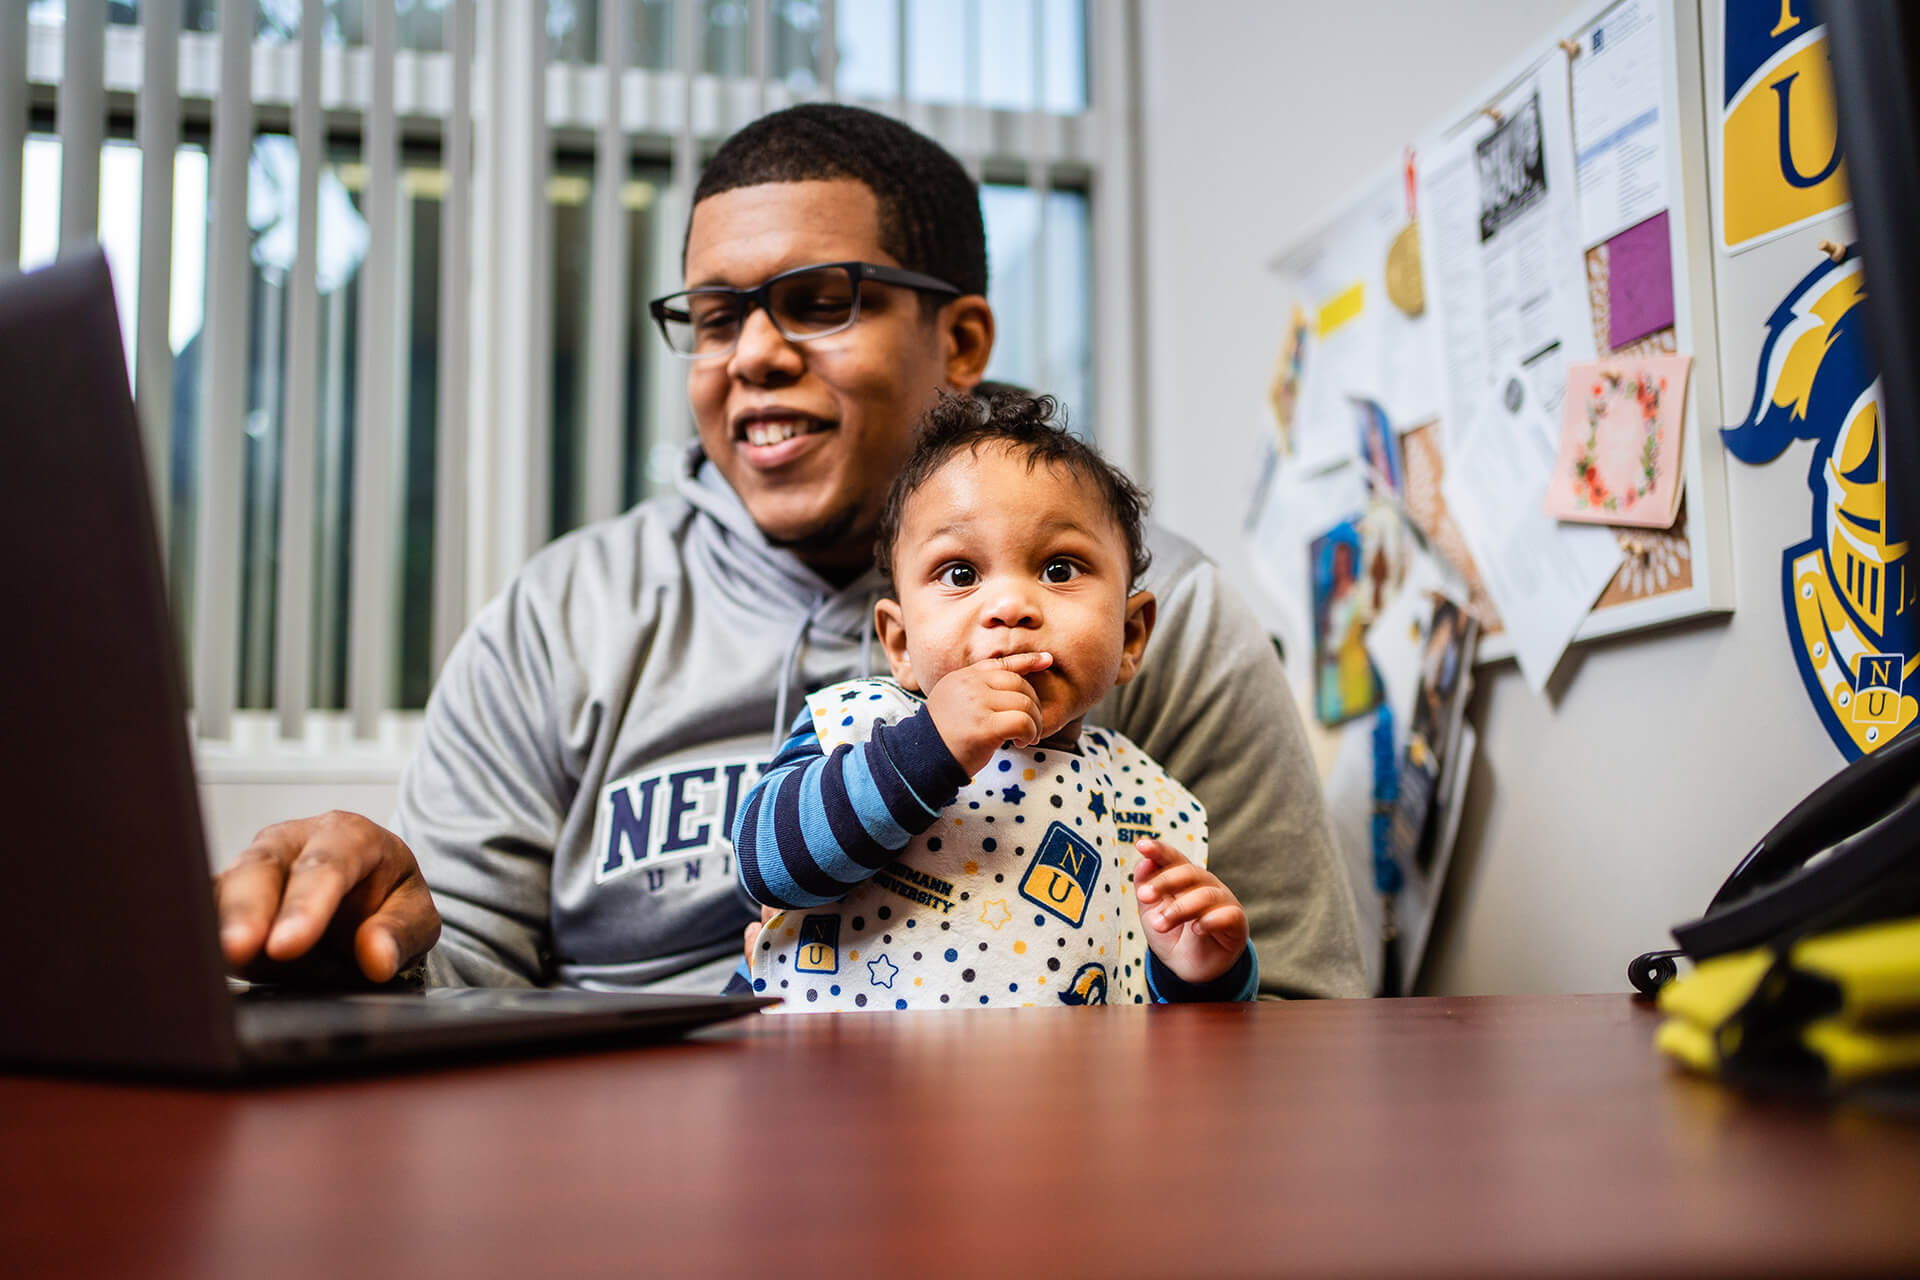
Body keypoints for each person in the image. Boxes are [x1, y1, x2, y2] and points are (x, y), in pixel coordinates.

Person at [212, 103, 1365, 999]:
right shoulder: (556, 621)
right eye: (714, 317)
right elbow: (463, 990)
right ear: (893, 640)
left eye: (818, 300)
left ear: (960, 339)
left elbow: (1298, 1007)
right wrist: (371, 958)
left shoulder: (1158, 616)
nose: (750, 354)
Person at [732, 392, 1254, 1009]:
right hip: (841, 1089)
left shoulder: (1145, 802)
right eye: (959, 574)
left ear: (1132, 635)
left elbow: (1171, 1031)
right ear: (899, 644)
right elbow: (763, 862)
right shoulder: (858, 728)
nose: (1010, 607)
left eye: (1059, 569)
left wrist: (1202, 974)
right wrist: (924, 751)